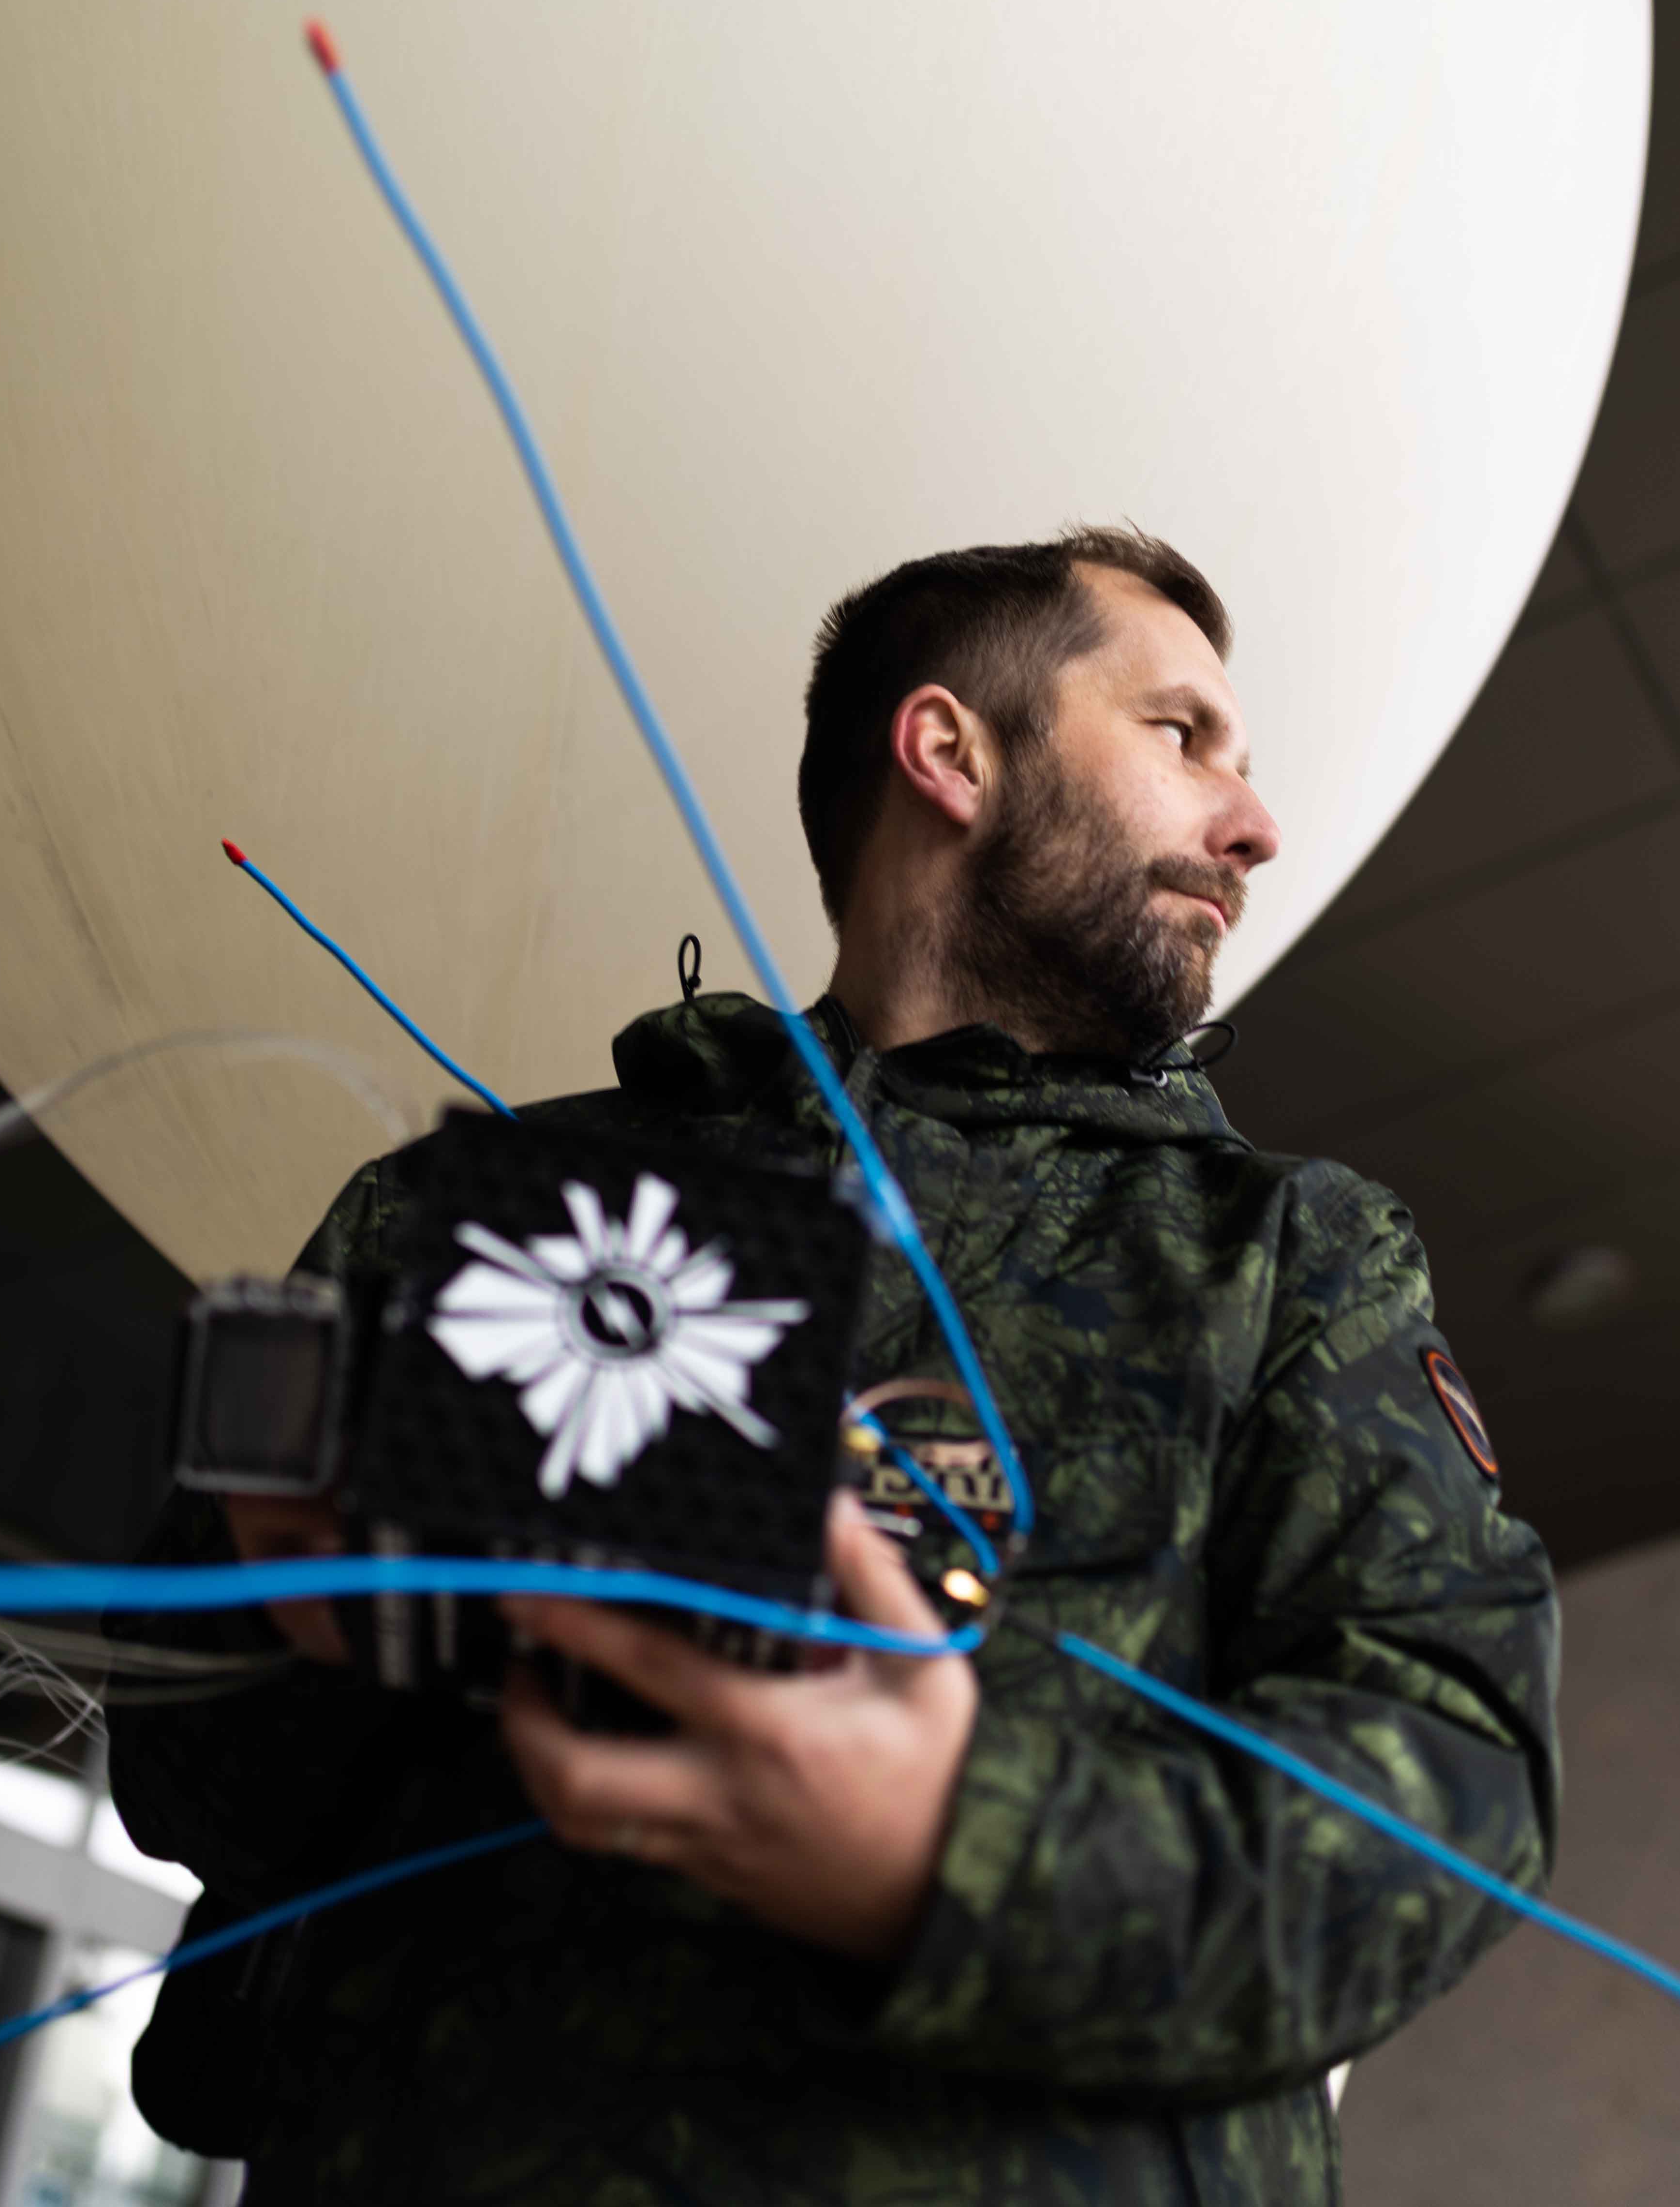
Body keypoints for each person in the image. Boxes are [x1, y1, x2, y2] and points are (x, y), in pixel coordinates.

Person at [109, 525, 1559, 2206]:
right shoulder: (466, 1221)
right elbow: (182, 1783)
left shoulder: (1291, 1258)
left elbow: (1453, 1781)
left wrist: (953, 1850)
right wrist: (310, 1628)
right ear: (951, 751)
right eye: (1184, 737)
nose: (1256, 826)